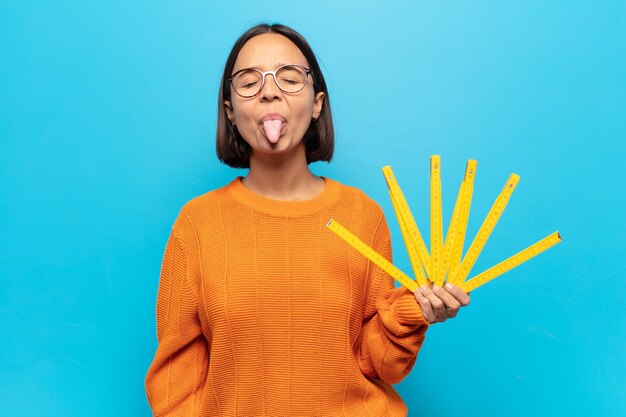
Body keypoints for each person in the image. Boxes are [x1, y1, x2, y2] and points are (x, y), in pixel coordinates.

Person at [144, 23, 470, 417]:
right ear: (230, 112)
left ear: (317, 104)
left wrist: (412, 312)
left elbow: (379, 364)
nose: (269, 90)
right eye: (249, 81)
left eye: (289, 77)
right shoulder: (197, 224)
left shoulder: (362, 216)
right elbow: (175, 380)